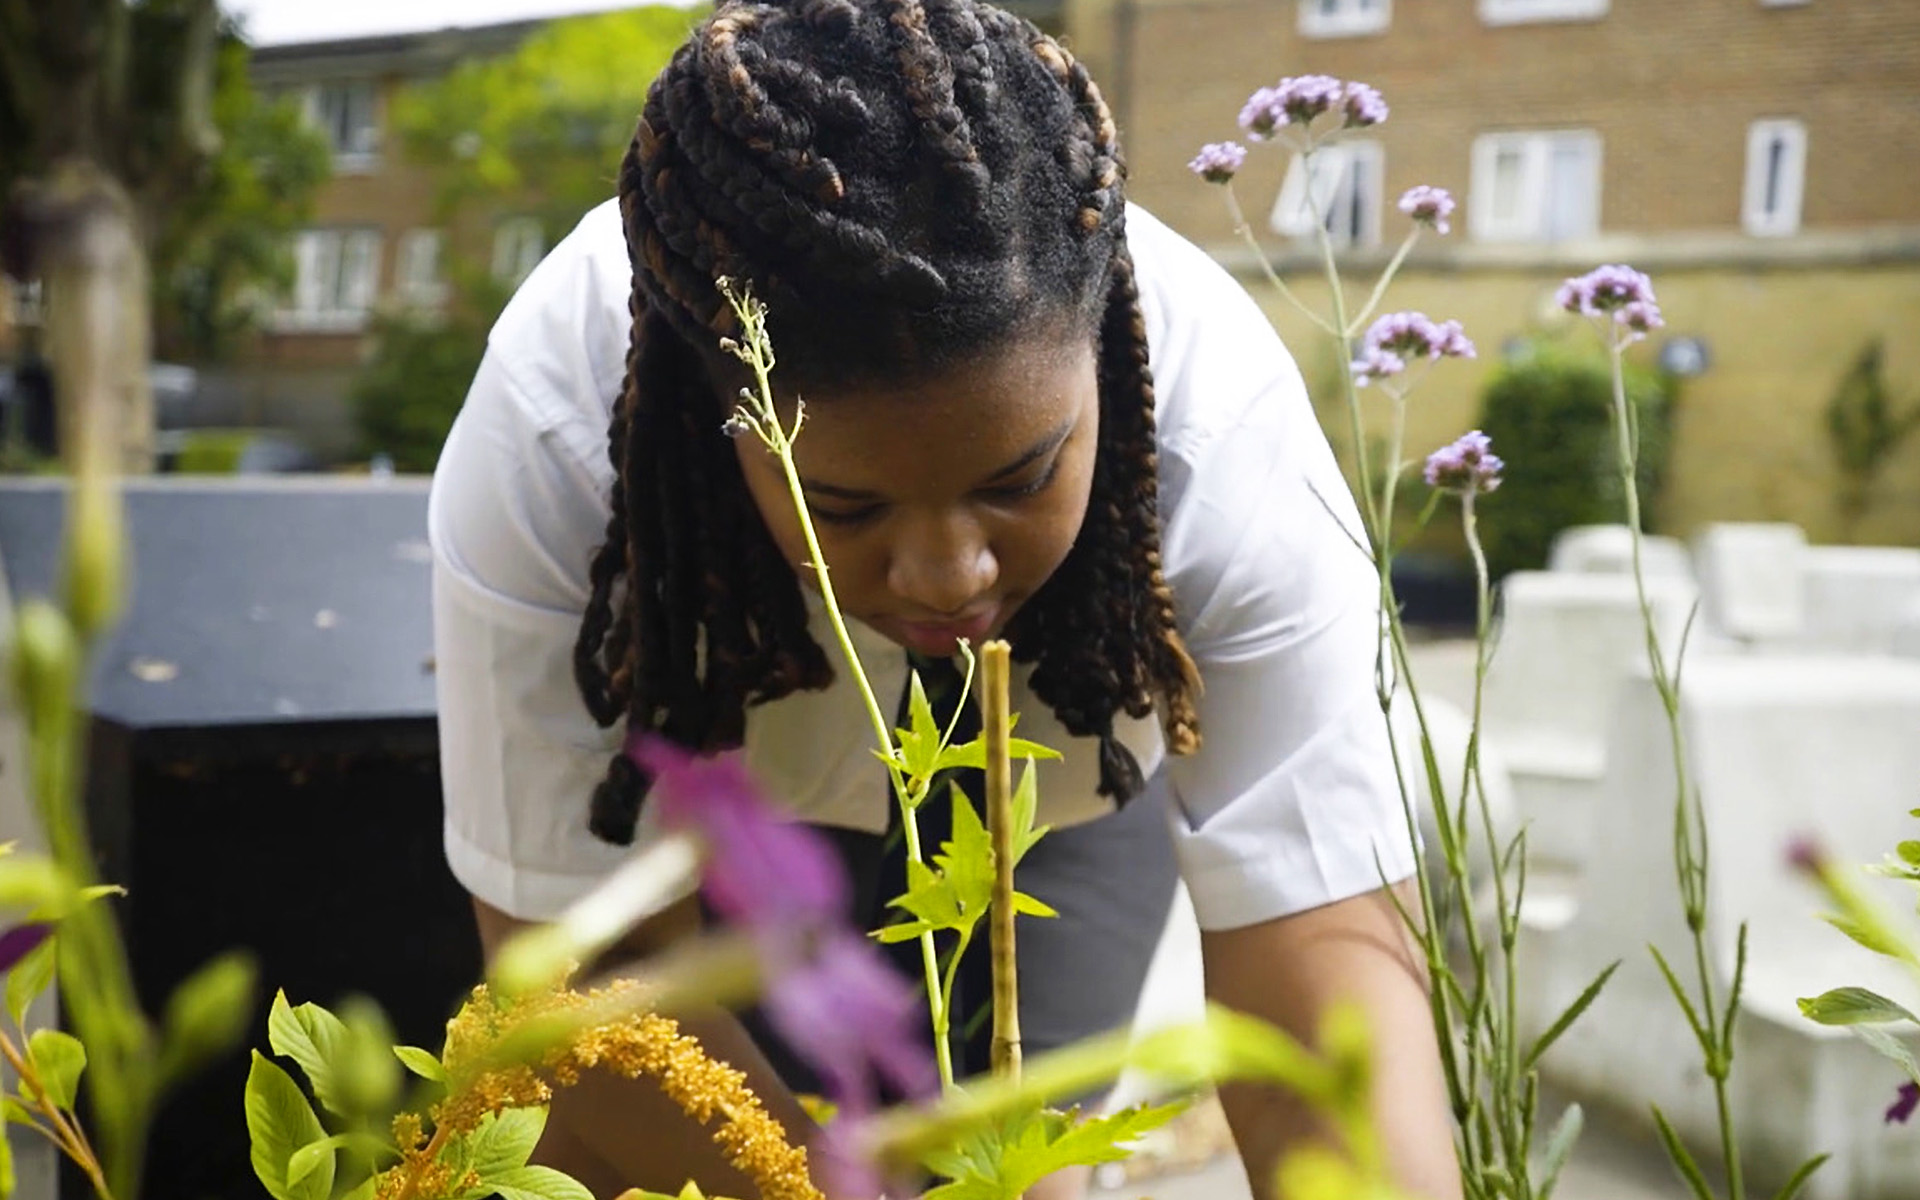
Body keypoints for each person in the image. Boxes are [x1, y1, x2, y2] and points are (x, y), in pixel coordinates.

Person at [427, 1, 1459, 1196]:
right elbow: (582, 983)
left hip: (1061, 805)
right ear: (725, 429)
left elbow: (1321, 973)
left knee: (1028, 1174)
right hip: (728, 823)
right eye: (847, 505)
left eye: (1017, 480)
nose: (948, 577)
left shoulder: (1221, 432)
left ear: (1101, 362)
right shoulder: (556, 434)